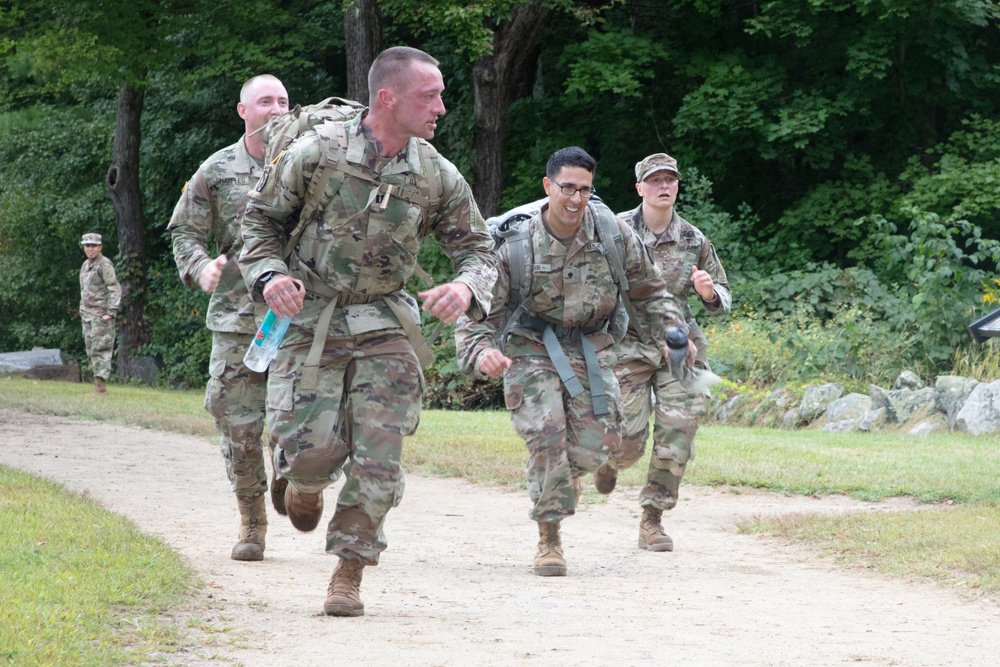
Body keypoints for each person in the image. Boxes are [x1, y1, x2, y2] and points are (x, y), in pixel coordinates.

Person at [238, 46, 496, 617]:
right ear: (389, 98)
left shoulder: (434, 173)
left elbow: (480, 248)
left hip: (385, 319)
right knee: (309, 454)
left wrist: (468, 287)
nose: (442, 108)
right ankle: (303, 482)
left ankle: (349, 570)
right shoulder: (316, 154)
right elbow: (258, 221)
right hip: (308, 315)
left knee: (380, 453)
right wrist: (269, 275)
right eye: (430, 96)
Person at [455, 146, 690, 577]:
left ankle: (571, 473)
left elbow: (649, 290)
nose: (576, 199)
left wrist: (676, 332)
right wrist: (482, 351)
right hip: (530, 348)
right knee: (547, 437)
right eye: (567, 188)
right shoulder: (517, 244)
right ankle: (549, 538)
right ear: (548, 186)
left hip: (590, 348)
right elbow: (477, 312)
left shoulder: (614, 234)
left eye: (584, 190)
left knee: (600, 444)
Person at [168, 74, 290, 562]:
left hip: (298, 320)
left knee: (302, 423)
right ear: (244, 111)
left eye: (283, 101)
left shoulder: (313, 164)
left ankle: (296, 476)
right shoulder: (216, 171)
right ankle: (252, 522)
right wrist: (201, 268)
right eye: (265, 101)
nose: (276, 109)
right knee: (238, 427)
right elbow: (184, 233)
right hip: (239, 321)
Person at [596, 152, 731, 552]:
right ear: (640, 188)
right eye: (655, 180)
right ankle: (610, 461)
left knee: (680, 429)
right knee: (629, 442)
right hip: (628, 344)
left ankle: (652, 518)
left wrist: (709, 293)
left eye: (670, 179)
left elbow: (723, 294)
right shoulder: (614, 230)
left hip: (679, 349)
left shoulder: (693, 239)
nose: (664, 186)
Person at [79, 233, 121, 394]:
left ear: (100, 247)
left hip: (100, 316)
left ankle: (100, 388)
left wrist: (110, 312)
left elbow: (114, 289)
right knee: (91, 350)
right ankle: (97, 385)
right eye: (87, 245)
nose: (90, 249)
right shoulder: (85, 266)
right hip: (87, 315)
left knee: (101, 350)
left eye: (93, 245)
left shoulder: (104, 265)